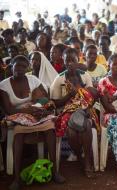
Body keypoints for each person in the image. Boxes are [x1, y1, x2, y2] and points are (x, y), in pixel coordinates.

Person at [0, 55, 65, 190]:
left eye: (23, 67)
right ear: (11, 66)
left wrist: (38, 106)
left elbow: (46, 99)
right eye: (17, 66)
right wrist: (27, 110)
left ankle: (55, 172)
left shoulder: (33, 80)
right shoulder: (4, 85)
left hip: (36, 113)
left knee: (50, 129)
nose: (20, 69)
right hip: (17, 116)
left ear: (27, 68)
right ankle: (17, 178)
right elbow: (8, 109)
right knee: (18, 135)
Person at [50, 48, 98, 178]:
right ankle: (83, 158)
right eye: (67, 61)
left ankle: (85, 160)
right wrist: (68, 97)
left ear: (78, 61)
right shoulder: (59, 79)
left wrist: (87, 106)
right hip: (66, 111)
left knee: (86, 123)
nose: (70, 63)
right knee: (76, 126)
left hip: (85, 109)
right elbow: (54, 103)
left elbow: (92, 96)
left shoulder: (84, 75)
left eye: (73, 60)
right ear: (64, 62)